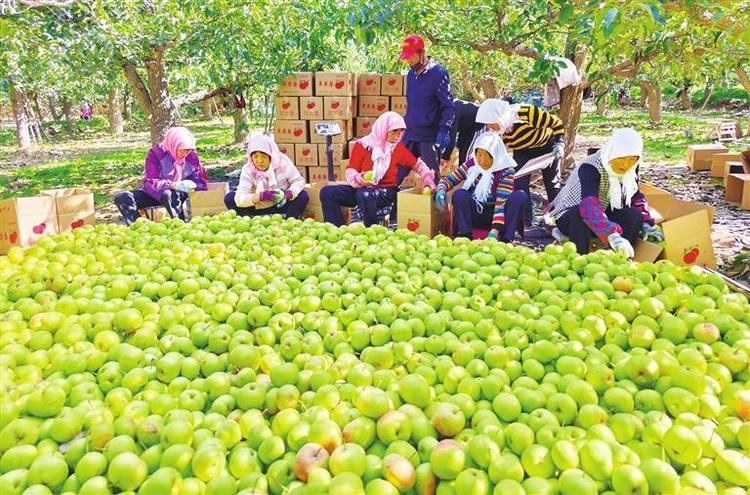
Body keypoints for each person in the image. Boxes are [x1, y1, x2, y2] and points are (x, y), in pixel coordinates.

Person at [547, 128, 663, 256]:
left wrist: (646, 223)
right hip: (572, 215)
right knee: (579, 215)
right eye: (621, 159)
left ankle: (621, 258)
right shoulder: (590, 167)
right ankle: (579, 259)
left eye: (632, 159)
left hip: (602, 212)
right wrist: (612, 234)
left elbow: (634, 195)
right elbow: (589, 206)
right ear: (612, 152)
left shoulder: (630, 168)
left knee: (633, 215)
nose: (625, 165)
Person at [320, 112, 436, 227]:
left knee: (364, 194)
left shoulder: (398, 149)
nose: (397, 136)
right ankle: (335, 228)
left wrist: (427, 176)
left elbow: (418, 165)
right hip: (362, 187)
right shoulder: (362, 145)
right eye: (394, 132)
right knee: (327, 192)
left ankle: (372, 230)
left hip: (385, 192)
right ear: (383, 129)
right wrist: (358, 178)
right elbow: (351, 169)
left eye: (400, 132)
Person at [475, 98, 565, 225]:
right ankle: (526, 221)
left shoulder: (525, 112)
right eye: (487, 124)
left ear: (498, 116)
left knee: (552, 183)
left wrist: (559, 143)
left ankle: (559, 219)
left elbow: (556, 123)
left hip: (547, 147)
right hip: (522, 151)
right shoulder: (497, 131)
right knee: (518, 182)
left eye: (491, 123)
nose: (490, 127)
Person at [434, 132, 528, 242]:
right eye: (478, 154)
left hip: (497, 217)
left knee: (519, 197)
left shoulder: (505, 170)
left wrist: (494, 232)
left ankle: (506, 240)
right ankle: (466, 236)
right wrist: (440, 190)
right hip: (476, 213)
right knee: (460, 195)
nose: (481, 160)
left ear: (495, 155)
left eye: (486, 156)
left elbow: (501, 203)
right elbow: (449, 180)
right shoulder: (472, 164)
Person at [114, 126, 207, 225]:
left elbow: (198, 178)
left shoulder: (191, 156)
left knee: (169, 194)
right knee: (122, 197)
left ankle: (180, 224)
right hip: (155, 192)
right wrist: (172, 184)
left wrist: (195, 188)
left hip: (177, 194)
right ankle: (137, 226)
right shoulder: (156, 154)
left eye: (187, 151)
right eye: (181, 150)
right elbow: (152, 181)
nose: (184, 154)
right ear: (173, 145)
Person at [397, 35, 456, 184]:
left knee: (430, 180)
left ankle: (434, 206)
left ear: (421, 53)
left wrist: (444, 129)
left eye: (411, 57)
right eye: (406, 58)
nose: (409, 61)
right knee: (395, 173)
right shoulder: (411, 75)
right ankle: (387, 205)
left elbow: (448, 105)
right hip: (410, 133)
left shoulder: (438, 73)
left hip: (429, 136)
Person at [224, 134, 308, 219]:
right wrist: (259, 197)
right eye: (255, 156)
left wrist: (288, 194)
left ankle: (289, 220)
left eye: (263, 156)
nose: (259, 161)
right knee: (230, 198)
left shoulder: (282, 162)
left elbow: (298, 180)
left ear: (271, 156)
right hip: (256, 207)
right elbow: (239, 198)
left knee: (302, 195)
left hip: (281, 205)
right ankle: (250, 221)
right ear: (250, 156)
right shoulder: (248, 169)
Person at [444, 99, 483, 166]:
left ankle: (468, 174)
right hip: (464, 127)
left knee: (466, 156)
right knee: (461, 150)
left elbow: (451, 136)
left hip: (478, 123)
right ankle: (462, 173)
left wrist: (445, 157)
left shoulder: (450, 111)